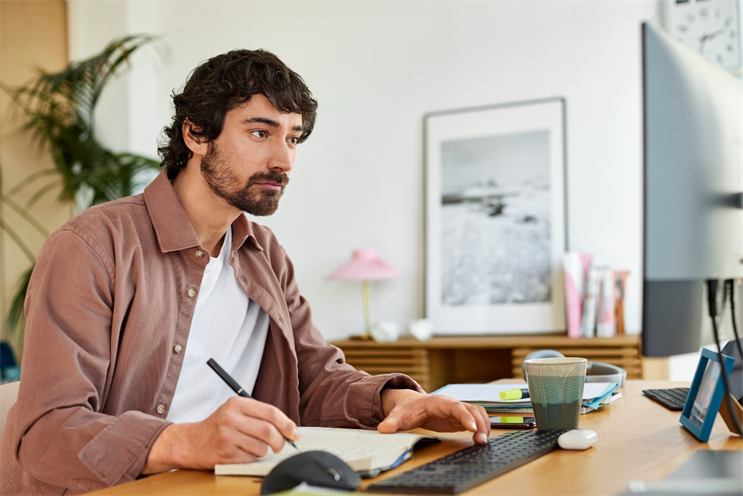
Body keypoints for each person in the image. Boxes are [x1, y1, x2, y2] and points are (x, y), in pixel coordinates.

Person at [0, 49, 490, 495]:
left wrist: (397, 403)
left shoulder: (265, 253)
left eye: (292, 138)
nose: (284, 160)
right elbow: (47, 431)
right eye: (260, 133)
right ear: (196, 133)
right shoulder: (91, 247)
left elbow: (313, 380)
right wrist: (184, 442)